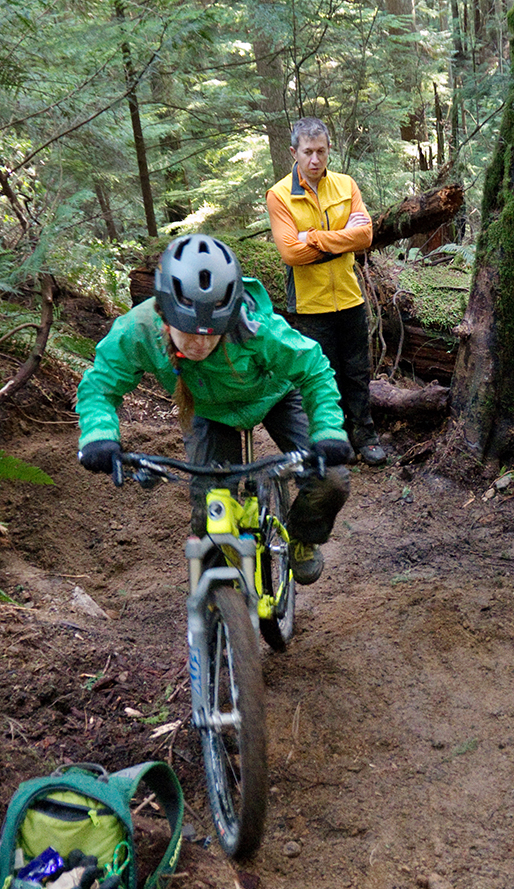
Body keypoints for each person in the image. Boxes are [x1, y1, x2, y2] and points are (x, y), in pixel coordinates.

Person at [75, 234, 353, 584]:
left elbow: (313, 367)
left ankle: (302, 535)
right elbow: (100, 383)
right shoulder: (138, 329)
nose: (199, 344)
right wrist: (99, 435)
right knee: (208, 513)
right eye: (188, 332)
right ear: (164, 313)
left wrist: (328, 430)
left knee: (332, 480)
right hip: (207, 411)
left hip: (274, 396)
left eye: (211, 334)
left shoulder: (254, 328)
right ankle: (217, 604)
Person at [266, 116, 387, 467]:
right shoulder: (279, 196)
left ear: (329, 149)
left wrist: (314, 238)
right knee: (322, 374)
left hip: (350, 296)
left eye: (321, 151)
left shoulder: (346, 186)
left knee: (356, 371)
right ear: (294, 152)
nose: (315, 160)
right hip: (309, 304)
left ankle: (365, 436)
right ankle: (332, 441)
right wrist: (341, 238)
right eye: (308, 152)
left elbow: (365, 237)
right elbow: (290, 253)